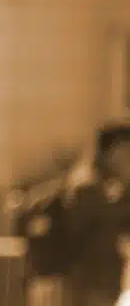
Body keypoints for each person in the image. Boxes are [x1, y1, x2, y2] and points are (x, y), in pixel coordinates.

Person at [67, 122, 130, 306]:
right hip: (90, 281)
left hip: (111, 281)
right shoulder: (87, 188)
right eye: (124, 153)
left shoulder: (119, 189)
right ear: (107, 153)